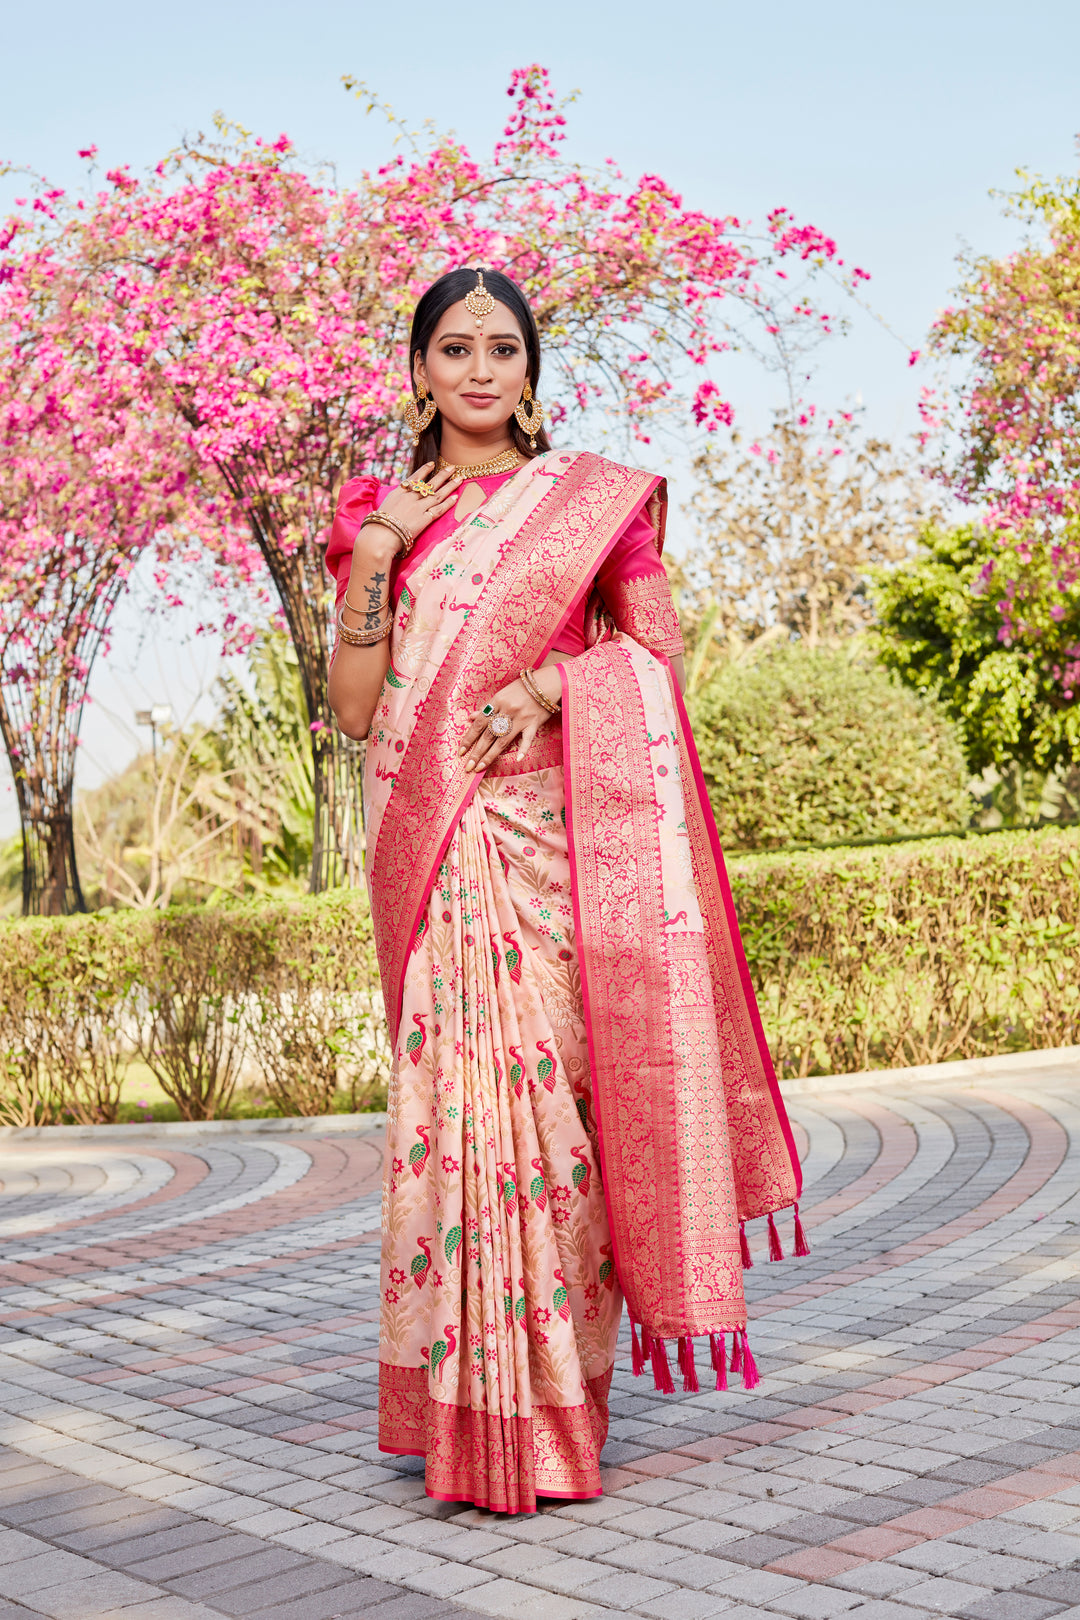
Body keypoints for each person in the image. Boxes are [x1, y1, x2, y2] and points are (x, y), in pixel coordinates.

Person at [326, 267, 805, 1515]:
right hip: (438, 852)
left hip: (558, 853)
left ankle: (558, 1409)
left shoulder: (594, 507)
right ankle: (470, 1417)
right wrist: (380, 546)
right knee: (464, 1118)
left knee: (565, 1130)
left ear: (531, 369)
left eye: (503, 349)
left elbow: (653, 654)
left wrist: (549, 688)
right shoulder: (373, 512)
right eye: (453, 349)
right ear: (418, 370)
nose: (480, 370)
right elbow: (353, 709)